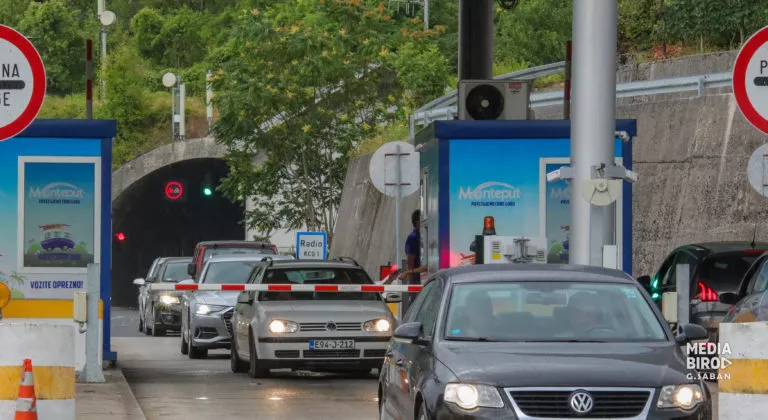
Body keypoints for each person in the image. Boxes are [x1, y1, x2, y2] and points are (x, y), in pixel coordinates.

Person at [399, 209, 428, 303]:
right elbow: (410, 263)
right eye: (423, 219)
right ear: (417, 222)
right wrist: (411, 289)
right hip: (417, 281)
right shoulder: (413, 238)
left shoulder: (424, 236)